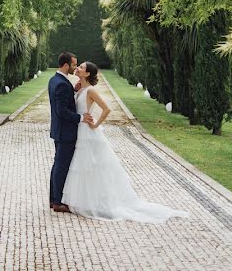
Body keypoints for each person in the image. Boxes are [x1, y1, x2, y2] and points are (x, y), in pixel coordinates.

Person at [61, 61, 189, 223]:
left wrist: (96, 124)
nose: (77, 68)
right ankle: (85, 200)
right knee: (84, 166)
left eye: (81, 67)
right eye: (78, 66)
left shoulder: (91, 91)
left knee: (92, 166)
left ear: (87, 74)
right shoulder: (80, 88)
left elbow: (106, 109)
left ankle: (98, 202)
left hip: (89, 133)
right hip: (80, 131)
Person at [48, 52, 93, 212]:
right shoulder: (61, 83)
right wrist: (81, 118)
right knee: (61, 166)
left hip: (59, 130)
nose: (75, 68)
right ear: (66, 65)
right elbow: (62, 111)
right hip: (65, 132)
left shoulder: (55, 80)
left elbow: (63, 101)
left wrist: (73, 91)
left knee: (57, 164)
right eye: (74, 65)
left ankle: (54, 199)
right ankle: (58, 202)